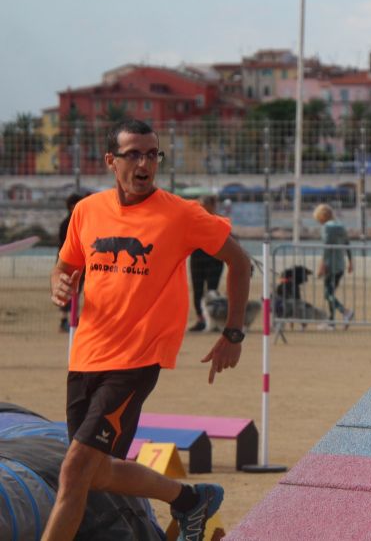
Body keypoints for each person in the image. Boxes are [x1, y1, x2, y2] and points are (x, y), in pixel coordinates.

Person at [47, 119, 252, 541]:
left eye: (152, 154)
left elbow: (240, 261)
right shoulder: (86, 211)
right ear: (111, 161)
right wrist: (59, 283)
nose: (146, 163)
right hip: (86, 356)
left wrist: (233, 333)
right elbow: (66, 265)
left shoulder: (181, 214)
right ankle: (191, 500)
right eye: (134, 154)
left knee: (74, 470)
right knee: (97, 473)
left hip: (138, 358)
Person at [188, 195, 225, 332]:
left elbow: (228, 240)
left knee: (212, 290)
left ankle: (214, 319)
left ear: (212, 206)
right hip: (197, 258)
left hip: (215, 259)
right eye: (199, 205)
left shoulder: (218, 220)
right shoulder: (194, 220)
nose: (200, 208)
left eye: (203, 205)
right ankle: (201, 319)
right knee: (197, 290)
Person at [313, 204, 354, 326]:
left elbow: (326, 248)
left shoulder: (327, 228)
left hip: (330, 265)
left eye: (318, 219)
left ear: (322, 217)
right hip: (340, 265)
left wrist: (322, 265)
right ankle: (331, 321)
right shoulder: (341, 226)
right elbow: (347, 244)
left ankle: (345, 312)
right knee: (330, 293)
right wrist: (351, 261)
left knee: (328, 294)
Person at [56, 192, 88, 332]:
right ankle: (64, 319)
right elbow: (65, 244)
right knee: (66, 291)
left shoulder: (81, 220)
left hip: (82, 263)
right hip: (68, 262)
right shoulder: (67, 223)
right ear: (70, 206)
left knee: (78, 291)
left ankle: (73, 318)